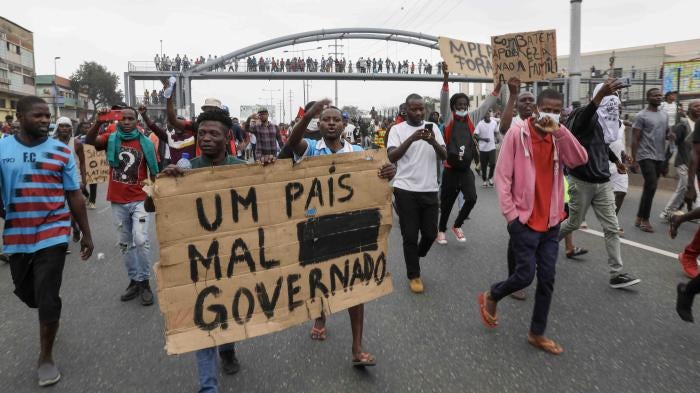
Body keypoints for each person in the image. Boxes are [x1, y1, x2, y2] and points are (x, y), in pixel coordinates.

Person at [284, 98, 396, 367]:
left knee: (356, 283)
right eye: (325, 120)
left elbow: (373, 179)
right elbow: (291, 143)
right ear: (318, 124)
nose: (331, 123)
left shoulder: (358, 150)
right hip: (316, 227)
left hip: (350, 226)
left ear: (344, 125)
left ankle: (357, 348)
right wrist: (307, 115)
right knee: (320, 278)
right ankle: (320, 314)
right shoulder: (310, 148)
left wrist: (387, 172)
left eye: (336, 120)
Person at [479, 89, 588, 355]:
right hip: (524, 222)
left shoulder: (558, 136)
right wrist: (512, 218)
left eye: (556, 109)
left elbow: (580, 159)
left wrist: (560, 131)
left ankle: (536, 333)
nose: (550, 113)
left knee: (548, 278)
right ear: (537, 108)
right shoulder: (518, 134)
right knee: (525, 276)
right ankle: (492, 295)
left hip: (551, 223)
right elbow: (503, 178)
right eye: (546, 108)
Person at [0, 96, 94, 386]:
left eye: (47, 116)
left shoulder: (60, 152)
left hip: (53, 232)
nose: (45, 120)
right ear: (19, 117)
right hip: (17, 234)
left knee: (47, 296)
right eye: (38, 116)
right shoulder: (2, 149)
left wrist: (85, 233)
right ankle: (48, 307)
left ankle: (46, 357)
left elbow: (74, 195)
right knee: (30, 295)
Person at [155, 109, 242, 393]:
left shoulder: (241, 167)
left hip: (233, 256)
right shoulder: (185, 168)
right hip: (199, 260)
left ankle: (227, 347)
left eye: (213, 134)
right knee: (204, 315)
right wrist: (165, 181)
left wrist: (266, 167)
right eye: (201, 133)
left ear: (227, 137)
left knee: (228, 308)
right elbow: (150, 206)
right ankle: (208, 386)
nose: (205, 138)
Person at [559, 79, 641, 288]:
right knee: (573, 223)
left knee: (612, 227)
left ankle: (616, 273)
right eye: (608, 101)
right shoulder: (581, 115)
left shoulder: (607, 124)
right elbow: (580, 124)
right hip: (580, 181)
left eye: (615, 102)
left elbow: (601, 147)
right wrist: (599, 97)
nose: (613, 107)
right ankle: (544, 245)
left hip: (603, 181)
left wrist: (616, 162)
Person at [85, 105, 159, 306]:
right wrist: (99, 121)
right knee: (125, 244)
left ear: (137, 121)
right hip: (118, 202)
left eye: (130, 119)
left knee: (141, 240)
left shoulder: (146, 143)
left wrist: (154, 194)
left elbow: (154, 171)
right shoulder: (111, 139)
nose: (126, 122)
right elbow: (89, 141)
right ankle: (134, 281)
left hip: (140, 201)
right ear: (118, 121)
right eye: (123, 119)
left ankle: (145, 283)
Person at [436, 63, 504, 245]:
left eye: (465, 105)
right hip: (450, 169)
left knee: (472, 198)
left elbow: (488, 102)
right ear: (453, 107)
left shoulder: (473, 118)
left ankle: (457, 225)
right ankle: (441, 230)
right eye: (459, 105)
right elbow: (444, 99)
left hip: (466, 169)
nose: (463, 107)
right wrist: (446, 78)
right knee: (447, 203)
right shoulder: (448, 118)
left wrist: (498, 86)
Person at [388, 93, 447, 293]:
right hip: (405, 190)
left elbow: (445, 156)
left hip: (430, 189)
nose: (419, 112)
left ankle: (418, 253)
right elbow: (392, 156)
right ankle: (414, 275)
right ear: (406, 110)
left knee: (430, 234)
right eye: (414, 109)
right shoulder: (397, 130)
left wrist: (432, 142)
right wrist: (413, 138)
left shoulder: (434, 130)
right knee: (410, 236)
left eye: (422, 108)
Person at [631, 88, 673, 233]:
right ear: (648, 97)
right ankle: (645, 220)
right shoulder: (641, 115)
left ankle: (638, 216)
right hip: (645, 155)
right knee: (652, 184)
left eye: (660, 95)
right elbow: (635, 138)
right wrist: (634, 159)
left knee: (649, 187)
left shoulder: (664, 114)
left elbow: (667, 133)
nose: (658, 97)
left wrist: (671, 135)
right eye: (655, 95)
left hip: (659, 156)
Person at [660, 100, 700, 221]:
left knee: (683, 188)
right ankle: (669, 212)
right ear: (689, 108)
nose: (699, 108)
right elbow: (672, 145)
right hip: (683, 162)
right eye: (696, 106)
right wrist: (665, 162)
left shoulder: (698, 124)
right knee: (690, 188)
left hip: (695, 165)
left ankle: (670, 212)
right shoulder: (682, 125)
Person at [53, 117, 83, 244]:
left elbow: (82, 163)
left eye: (67, 126)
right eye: (61, 126)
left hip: (73, 180)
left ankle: (75, 228)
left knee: (74, 208)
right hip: (56, 181)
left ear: (71, 128)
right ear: (57, 128)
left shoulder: (76, 143)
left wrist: (83, 180)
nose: (64, 128)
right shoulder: (50, 143)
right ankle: (65, 236)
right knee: (61, 209)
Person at [74, 121, 98, 209]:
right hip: (80, 164)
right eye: (84, 127)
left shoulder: (95, 138)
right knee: (81, 183)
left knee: (93, 182)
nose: (86, 129)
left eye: (88, 127)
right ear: (80, 128)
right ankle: (87, 195)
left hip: (92, 163)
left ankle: (92, 201)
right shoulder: (76, 139)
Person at [474, 112, 499, 187]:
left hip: (492, 147)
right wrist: (483, 139)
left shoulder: (494, 123)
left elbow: (495, 132)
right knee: (484, 166)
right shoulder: (480, 124)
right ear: (483, 117)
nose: (488, 116)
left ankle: (490, 178)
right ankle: (484, 181)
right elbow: (475, 135)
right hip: (483, 149)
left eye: (488, 115)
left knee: (493, 163)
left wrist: (496, 138)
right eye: (486, 115)